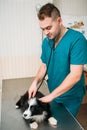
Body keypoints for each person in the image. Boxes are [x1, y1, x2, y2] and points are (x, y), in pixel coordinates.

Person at [28, 3, 87, 117]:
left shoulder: (77, 40)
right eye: (43, 29)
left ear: (59, 21)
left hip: (71, 96)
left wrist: (51, 96)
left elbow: (75, 75)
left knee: (66, 124)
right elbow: (44, 65)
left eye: (49, 27)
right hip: (54, 93)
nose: (46, 32)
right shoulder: (47, 42)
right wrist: (35, 83)